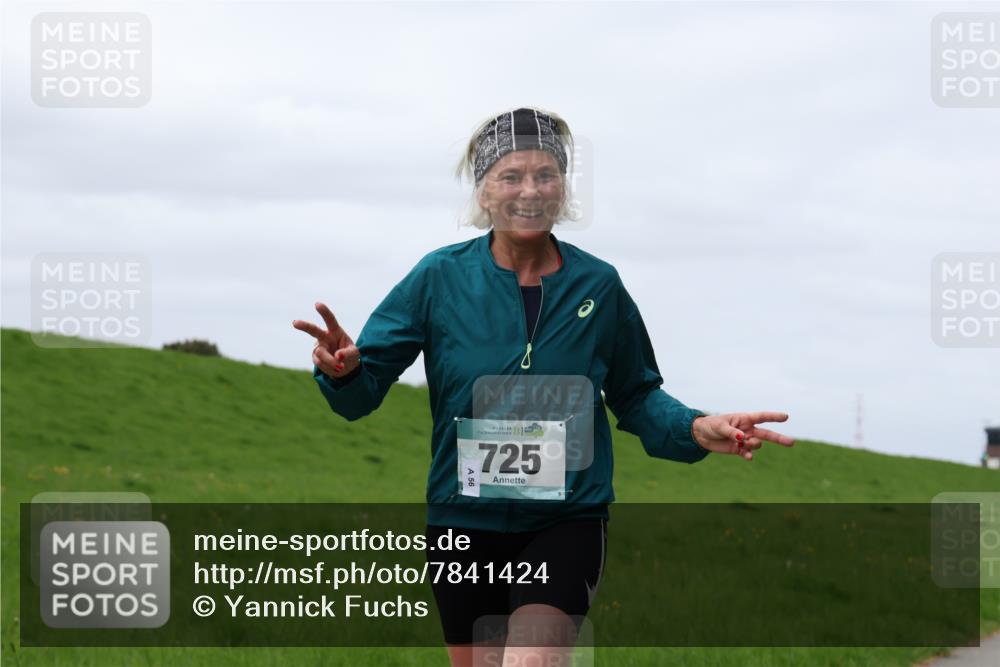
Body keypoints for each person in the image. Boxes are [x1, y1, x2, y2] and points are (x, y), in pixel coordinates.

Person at [293, 107, 795, 667]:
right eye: (511, 176)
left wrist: (696, 427)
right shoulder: (438, 279)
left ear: (562, 190)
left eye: (545, 175)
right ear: (484, 193)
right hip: (463, 527)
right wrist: (344, 372)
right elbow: (364, 390)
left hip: (565, 521)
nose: (529, 190)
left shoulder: (598, 286)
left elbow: (635, 394)